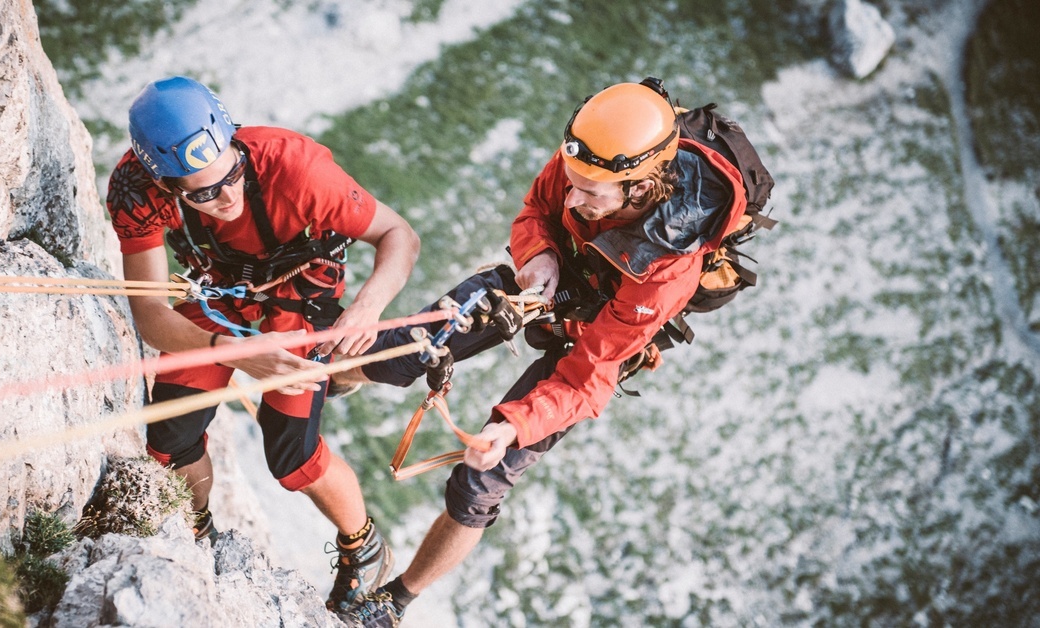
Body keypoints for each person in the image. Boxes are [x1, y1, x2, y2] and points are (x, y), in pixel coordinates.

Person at [336, 79, 749, 626]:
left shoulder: (667, 270)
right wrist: (539, 256)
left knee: (480, 483)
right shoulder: (591, 159)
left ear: (641, 187)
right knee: (412, 346)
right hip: (548, 278)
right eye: (573, 183)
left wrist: (513, 427)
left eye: (591, 195)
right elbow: (538, 208)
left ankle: (396, 602)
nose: (573, 198)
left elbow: (586, 378)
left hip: (597, 337)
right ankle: (321, 380)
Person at [105, 76, 419, 613]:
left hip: (301, 297)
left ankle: (362, 548)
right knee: (169, 439)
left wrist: (366, 308)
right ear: (167, 185)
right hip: (219, 296)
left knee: (290, 453)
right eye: (203, 192)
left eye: (231, 174)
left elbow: (399, 236)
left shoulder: (295, 168)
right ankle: (195, 528)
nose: (226, 196)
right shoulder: (137, 192)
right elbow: (150, 312)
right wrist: (233, 350)